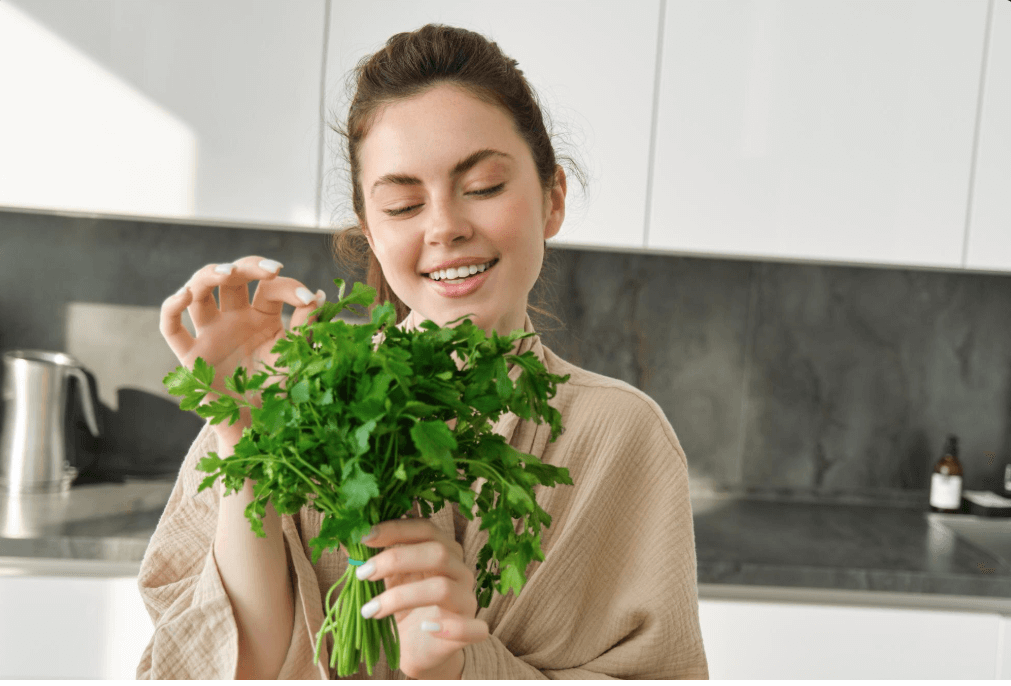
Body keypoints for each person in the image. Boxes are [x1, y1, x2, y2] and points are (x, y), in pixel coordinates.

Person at [138, 23, 709, 679]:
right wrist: (243, 430)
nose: (444, 227)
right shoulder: (294, 395)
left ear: (552, 199)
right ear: (370, 232)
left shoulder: (620, 436)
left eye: (484, 187)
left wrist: (458, 667)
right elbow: (242, 666)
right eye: (404, 204)